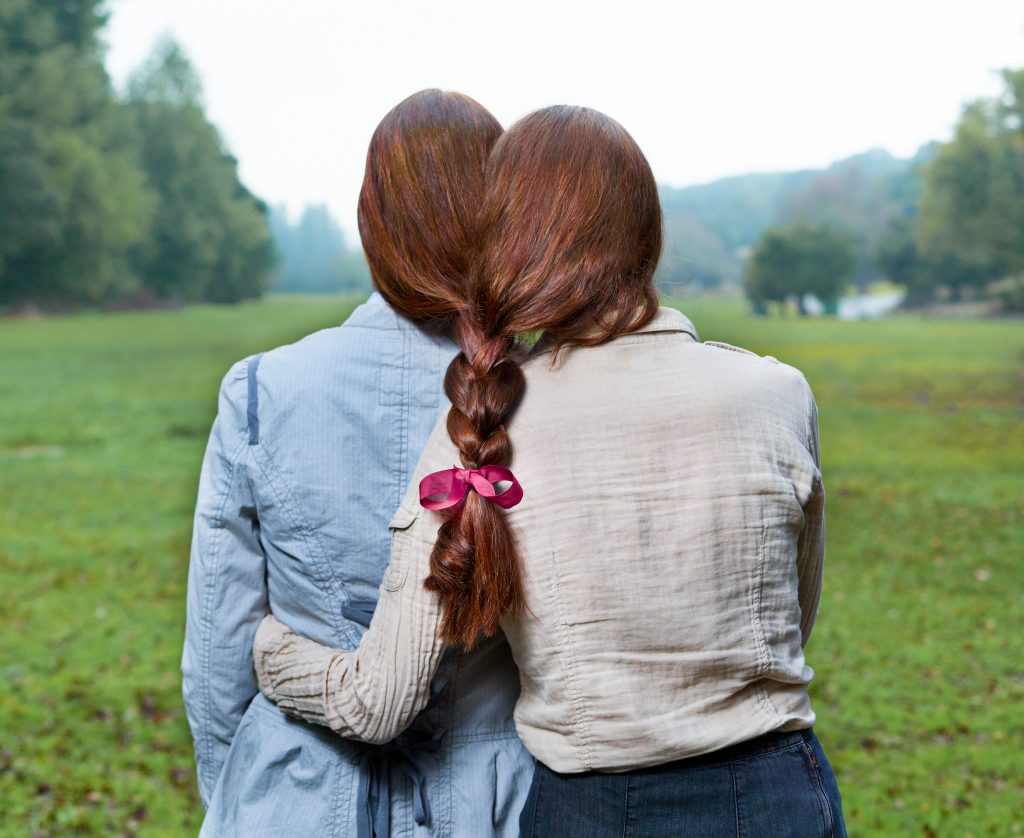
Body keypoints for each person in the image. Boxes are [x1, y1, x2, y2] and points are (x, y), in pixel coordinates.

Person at [253, 105, 847, 837]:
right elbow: (796, 619)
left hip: (596, 812)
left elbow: (377, 702)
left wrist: (268, 650)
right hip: (781, 796)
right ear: (647, 231)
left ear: (502, 240)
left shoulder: (482, 432)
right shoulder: (777, 395)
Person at [181, 89, 533, 838]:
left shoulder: (262, 391)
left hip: (297, 793)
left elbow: (220, 648)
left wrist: (237, 792)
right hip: (501, 801)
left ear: (372, 219)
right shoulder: (554, 396)